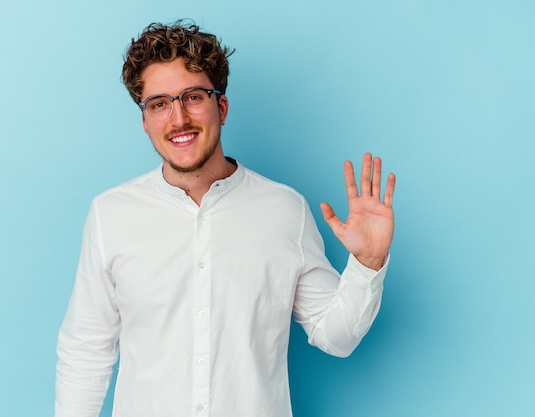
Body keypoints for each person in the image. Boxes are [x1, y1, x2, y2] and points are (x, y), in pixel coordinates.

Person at [55, 20, 396, 417]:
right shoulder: (109, 215)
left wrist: (367, 264)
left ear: (222, 107)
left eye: (193, 97)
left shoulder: (285, 209)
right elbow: (86, 350)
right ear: (145, 121)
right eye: (159, 104)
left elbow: (336, 338)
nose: (178, 119)